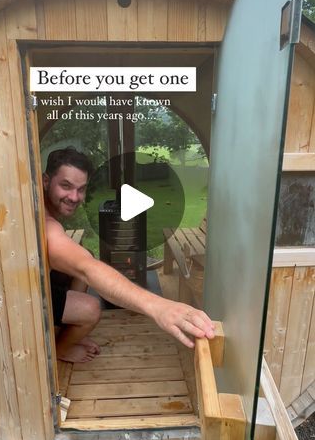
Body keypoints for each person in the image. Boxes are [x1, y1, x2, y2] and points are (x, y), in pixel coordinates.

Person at [43, 146, 215, 363]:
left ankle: (67, 332)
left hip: (40, 280)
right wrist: (159, 306)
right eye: (65, 186)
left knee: (85, 252)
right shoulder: (47, 225)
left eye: (81, 189)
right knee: (91, 308)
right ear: (46, 181)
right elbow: (87, 268)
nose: (74, 197)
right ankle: (61, 350)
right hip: (27, 301)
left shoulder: (44, 210)